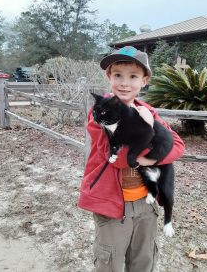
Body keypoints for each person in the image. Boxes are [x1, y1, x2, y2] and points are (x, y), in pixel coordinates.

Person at [78, 46, 185, 272]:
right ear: (109, 77)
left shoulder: (147, 111)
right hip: (113, 205)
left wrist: (150, 150)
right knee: (111, 262)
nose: (124, 83)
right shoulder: (100, 113)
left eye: (133, 76)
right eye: (118, 75)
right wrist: (149, 143)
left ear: (144, 81)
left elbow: (177, 145)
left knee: (143, 260)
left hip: (146, 205)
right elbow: (117, 157)